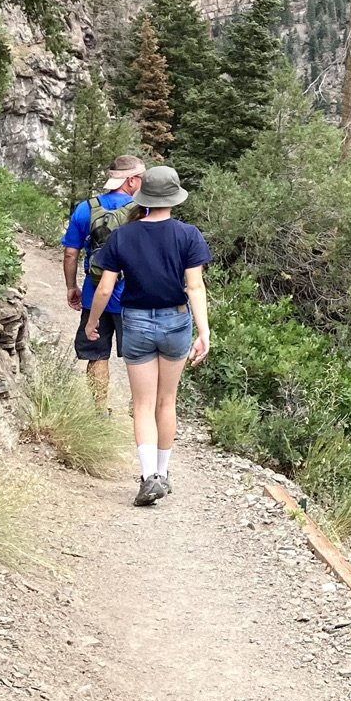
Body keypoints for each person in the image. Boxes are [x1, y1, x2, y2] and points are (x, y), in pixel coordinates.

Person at [84, 165, 212, 506]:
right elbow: (195, 286)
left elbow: (105, 286)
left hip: (137, 322)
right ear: (174, 198)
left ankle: (148, 476)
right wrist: (204, 331)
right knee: (166, 401)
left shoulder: (123, 236)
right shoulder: (188, 235)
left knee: (142, 404)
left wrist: (93, 322)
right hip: (176, 322)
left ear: (144, 197)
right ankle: (164, 474)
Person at [61, 154, 146, 409]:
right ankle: (137, 408)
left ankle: (100, 411)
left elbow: (70, 252)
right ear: (131, 181)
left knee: (97, 353)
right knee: (138, 357)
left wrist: (71, 286)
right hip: (132, 298)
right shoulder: (143, 211)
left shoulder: (86, 207)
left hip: (93, 293)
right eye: (141, 178)